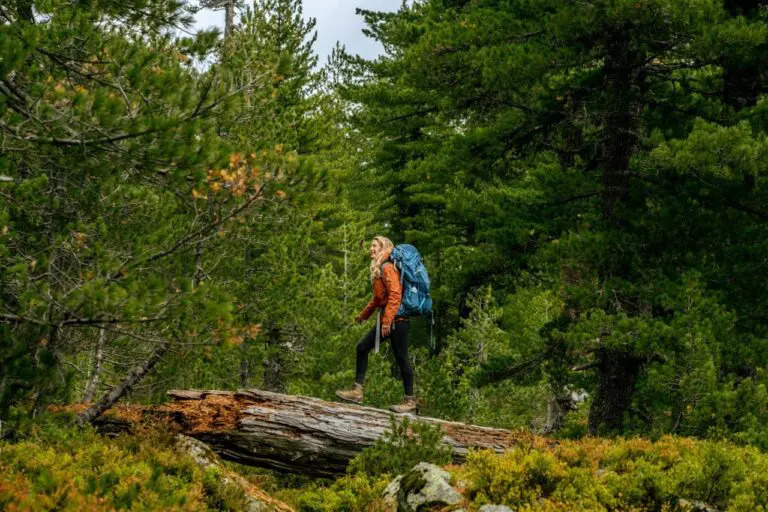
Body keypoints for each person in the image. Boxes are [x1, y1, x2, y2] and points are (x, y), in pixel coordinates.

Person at [335, 236, 417, 413]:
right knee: (362, 347)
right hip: (389, 320)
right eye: (371, 246)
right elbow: (378, 299)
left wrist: (387, 322)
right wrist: (362, 316)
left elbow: (395, 295)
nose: (371, 249)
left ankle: (410, 402)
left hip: (397, 322)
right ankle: (358, 391)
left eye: (375, 246)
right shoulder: (380, 268)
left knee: (402, 359)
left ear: (383, 247)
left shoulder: (387, 267)